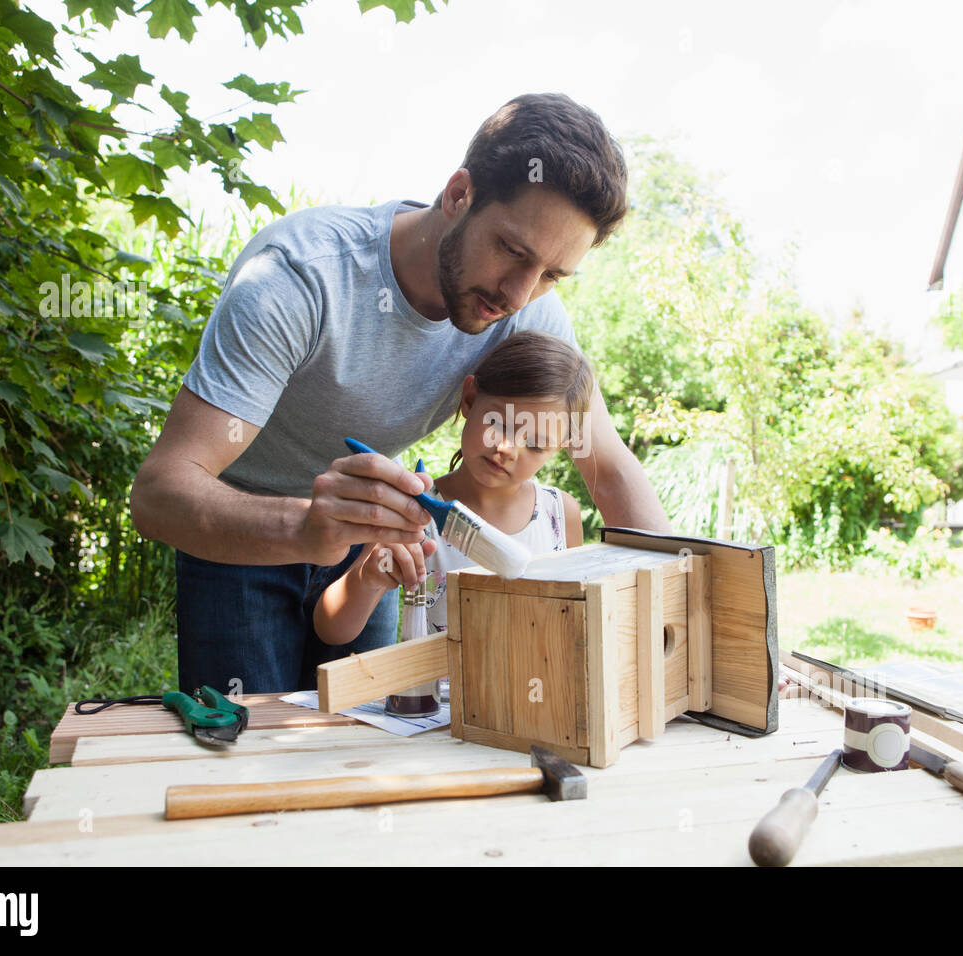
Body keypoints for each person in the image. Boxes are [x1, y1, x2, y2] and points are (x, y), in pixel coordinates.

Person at [130, 93, 671, 695]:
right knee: (249, 757)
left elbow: (610, 470)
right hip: (239, 531)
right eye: (513, 252)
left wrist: (678, 621)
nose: (519, 294)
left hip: (371, 541)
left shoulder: (525, 315)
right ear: (459, 193)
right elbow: (158, 494)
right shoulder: (302, 276)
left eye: (550, 275)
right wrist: (308, 526)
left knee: (366, 741)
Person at [313, 331, 590, 645]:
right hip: (441, 694)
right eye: (499, 424)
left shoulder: (561, 514)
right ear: (470, 399)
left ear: (559, 448)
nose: (507, 448)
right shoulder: (413, 513)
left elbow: (575, 623)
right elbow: (332, 630)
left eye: (536, 444)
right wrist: (369, 577)